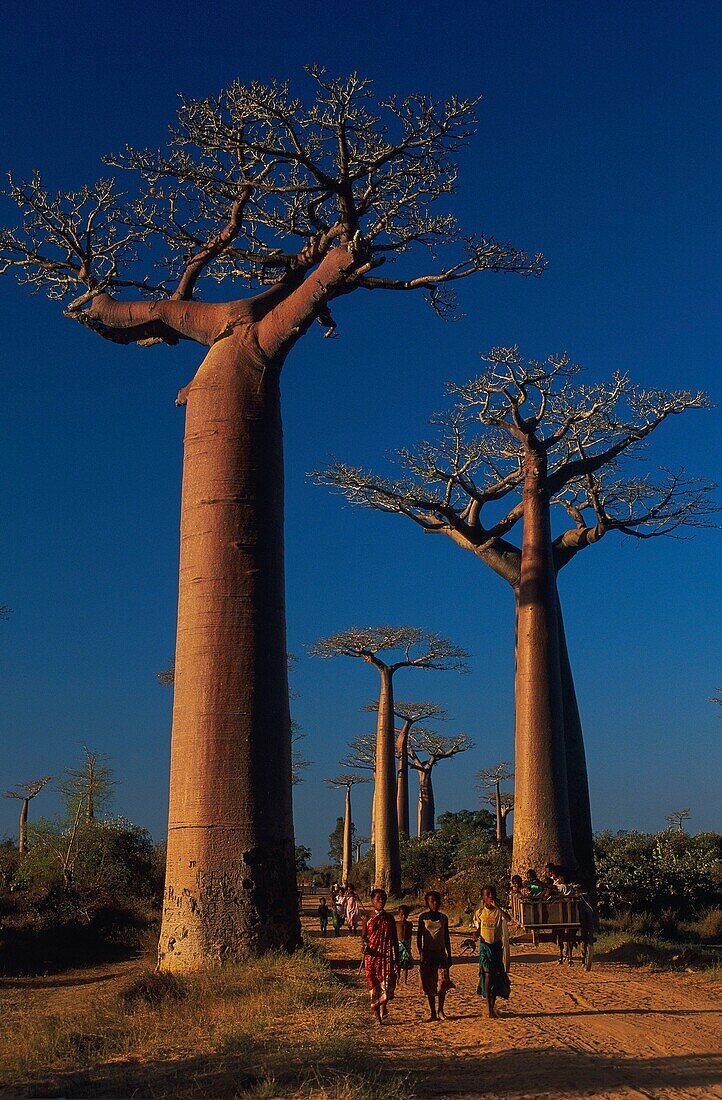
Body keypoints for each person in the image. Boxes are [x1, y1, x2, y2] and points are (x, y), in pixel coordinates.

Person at [361, 888, 399, 1025]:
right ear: (372, 901)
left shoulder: (389, 918)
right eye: (378, 898)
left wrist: (397, 959)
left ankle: (384, 1006)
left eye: (383, 898)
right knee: (374, 986)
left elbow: (395, 939)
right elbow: (364, 937)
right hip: (372, 957)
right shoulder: (367, 918)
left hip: (387, 956)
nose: (381, 901)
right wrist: (364, 946)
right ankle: (378, 1016)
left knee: (388, 983)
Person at [473, 884, 511, 1019]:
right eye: (487, 895)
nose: (490, 897)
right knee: (488, 974)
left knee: (495, 976)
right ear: (482, 898)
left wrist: (498, 907)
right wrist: (476, 933)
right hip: (485, 947)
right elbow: (479, 927)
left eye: (492, 894)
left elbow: (508, 918)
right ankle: (488, 1007)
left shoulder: (498, 912)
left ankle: (492, 1004)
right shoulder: (480, 913)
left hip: (496, 947)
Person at [416, 891, 453, 1022]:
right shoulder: (423, 918)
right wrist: (421, 952)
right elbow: (419, 936)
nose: (435, 903)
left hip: (441, 954)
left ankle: (440, 1010)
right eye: (432, 901)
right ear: (427, 903)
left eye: (437, 900)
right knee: (430, 984)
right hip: (428, 954)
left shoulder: (444, 918)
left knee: (442, 983)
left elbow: (446, 937)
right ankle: (432, 1012)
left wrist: (450, 955)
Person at [395, 905, 414, 984]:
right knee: (398, 964)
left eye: (405, 915)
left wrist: (409, 945)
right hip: (398, 945)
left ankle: (405, 981)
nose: (403, 917)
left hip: (406, 944)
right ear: (398, 914)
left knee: (405, 964)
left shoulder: (409, 924)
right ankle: (397, 978)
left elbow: (410, 935)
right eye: (402, 915)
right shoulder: (396, 924)